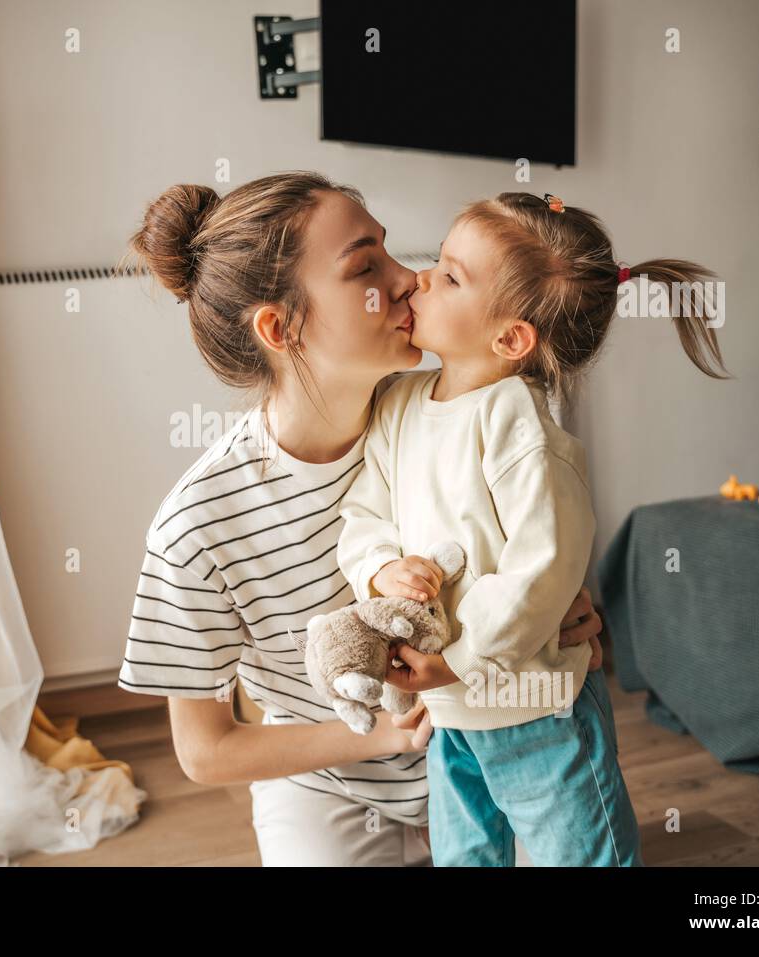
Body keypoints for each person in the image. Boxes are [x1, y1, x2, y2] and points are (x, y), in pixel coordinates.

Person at [117, 174, 604, 866]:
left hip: (488, 740)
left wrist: (556, 623)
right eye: (365, 267)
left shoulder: (452, 412)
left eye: (391, 251)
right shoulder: (195, 526)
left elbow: (537, 550)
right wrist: (385, 732)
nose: (410, 279)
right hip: (329, 784)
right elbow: (204, 750)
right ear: (279, 327)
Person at [341, 191, 727, 865]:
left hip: (534, 704)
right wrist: (378, 568)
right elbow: (364, 511)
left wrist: (457, 661)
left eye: (451, 275)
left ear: (511, 338)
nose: (422, 278)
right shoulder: (399, 404)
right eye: (439, 260)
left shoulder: (517, 424)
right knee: (464, 851)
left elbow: (540, 573)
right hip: (452, 716)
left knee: (578, 848)